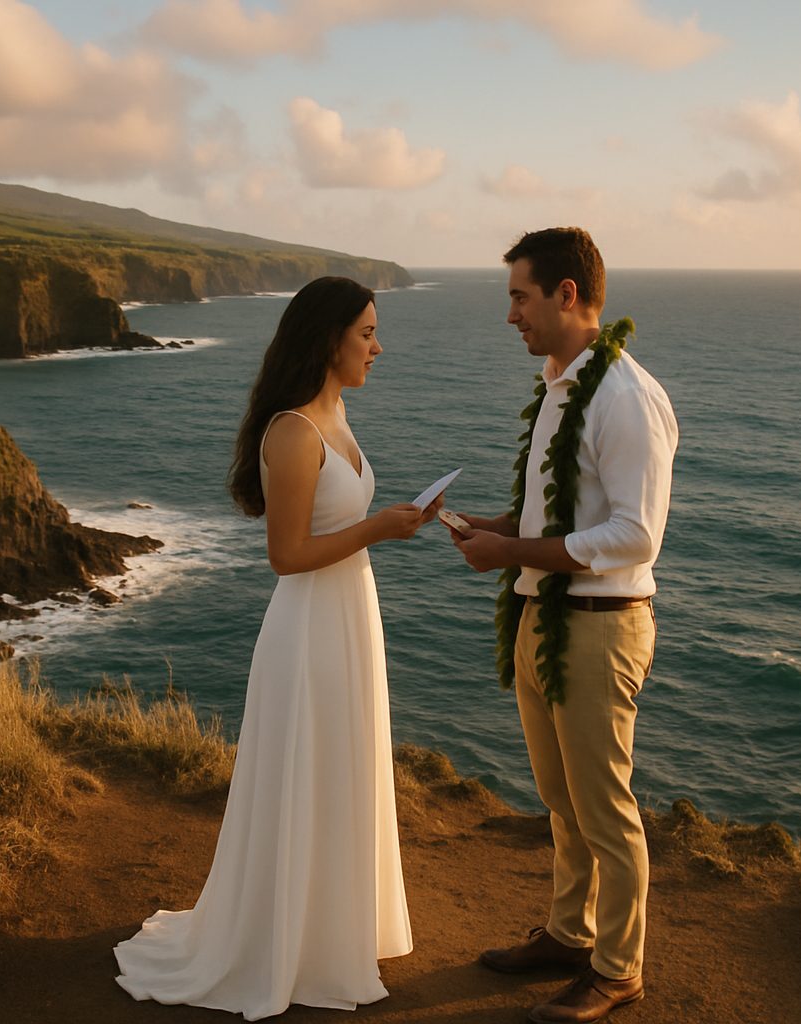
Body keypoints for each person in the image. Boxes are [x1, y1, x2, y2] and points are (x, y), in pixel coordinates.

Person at [114, 276, 442, 1019]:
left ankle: (333, 928)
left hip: (349, 613)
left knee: (342, 766)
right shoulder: (293, 431)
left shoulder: (337, 412)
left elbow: (333, 529)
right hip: (309, 627)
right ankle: (291, 941)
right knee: (312, 768)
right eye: (366, 334)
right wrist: (380, 529)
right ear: (329, 339)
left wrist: (402, 521)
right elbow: (287, 554)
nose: (378, 347)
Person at [447, 228, 678, 1023]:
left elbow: (637, 534)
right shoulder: (559, 384)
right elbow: (560, 516)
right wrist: (497, 526)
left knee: (604, 806)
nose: (511, 313)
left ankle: (619, 969)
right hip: (545, 616)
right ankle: (568, 932)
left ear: (566, 294)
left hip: (599, 626)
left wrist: (512, 549)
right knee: (560, 797)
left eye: (520, 295)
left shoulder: (623, 396)